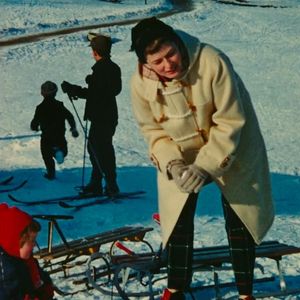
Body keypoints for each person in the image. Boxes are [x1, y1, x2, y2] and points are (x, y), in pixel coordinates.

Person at [130, 17, 274, 300]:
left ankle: (245, 292)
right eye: (158, 62)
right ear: (147, 64)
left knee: (240, 214)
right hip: (180, 153)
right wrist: (172, 163)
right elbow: (152, 130)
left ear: (177, 43)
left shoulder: (211, 61)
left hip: (232, 145)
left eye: (170, 53)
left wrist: (207, 166)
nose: (168, 64)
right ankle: (176, 287)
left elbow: (231, 120)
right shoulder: (139, 84)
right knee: (177, 217)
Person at [61, 34, 122, 197]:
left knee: (100, 151)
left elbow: (95, 94)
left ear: (95, 52)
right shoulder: (114, 67)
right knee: (100, 149)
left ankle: (109, 185)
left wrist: (75, 89)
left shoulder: (101, 69)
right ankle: (101, 183)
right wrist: (81, 87)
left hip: (101, 117)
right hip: (109, 116)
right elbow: (114, 90)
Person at [0, 203, 55, 299]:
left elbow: (39, 275)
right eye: (32, 241)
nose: (34, 244)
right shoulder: (6, 270)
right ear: (15, 242)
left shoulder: (27, 259)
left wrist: (46, 286)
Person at [31, 81, 79, 180]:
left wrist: (34, 127)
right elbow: (69, 117)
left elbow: (35, 121)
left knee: (47, 156)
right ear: (55, 93)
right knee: (62, 149)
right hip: (59, 135)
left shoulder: (40, 108)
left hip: (47, 137)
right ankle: (60, 152)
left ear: (42, 93)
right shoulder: (59, 106)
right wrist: (73, 128)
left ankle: (51, 174)